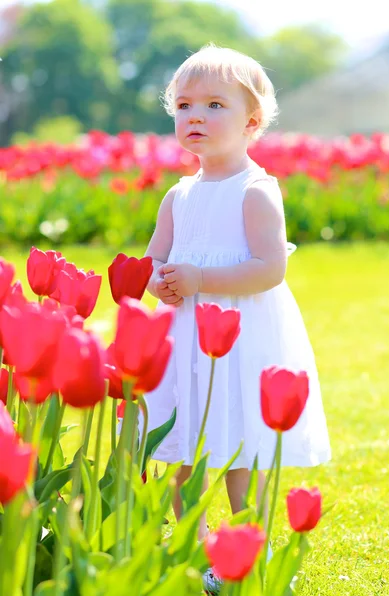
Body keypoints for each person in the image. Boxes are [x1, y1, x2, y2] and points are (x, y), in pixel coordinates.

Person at [144, 43, 331, 547]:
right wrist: (158, 279)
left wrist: (202, 279)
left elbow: (269, 269)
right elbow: (152, 259)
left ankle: (246, 540)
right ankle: (194, 540)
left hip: (240, 334)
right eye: (184, 106)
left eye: (213, 104)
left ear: (252, 122)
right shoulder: (178, 195)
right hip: (187, 334)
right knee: (187, 445)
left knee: (239, 443)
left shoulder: (255, 190)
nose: (195, 116)